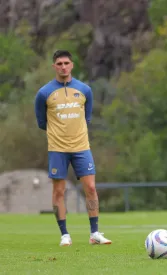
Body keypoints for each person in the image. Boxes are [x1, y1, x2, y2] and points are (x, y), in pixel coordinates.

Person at [35, 50, 112, 246]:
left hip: (81, 147)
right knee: (59, 192)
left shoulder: (85, 90)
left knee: (91, 188)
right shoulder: (44, 93)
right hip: (57, 149)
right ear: (54, 66)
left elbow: (86, 118)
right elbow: (42, 123)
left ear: (72, 65)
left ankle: (94, 233)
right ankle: (64, 234)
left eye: (66, 63)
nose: (63, 67)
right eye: (59, 63)